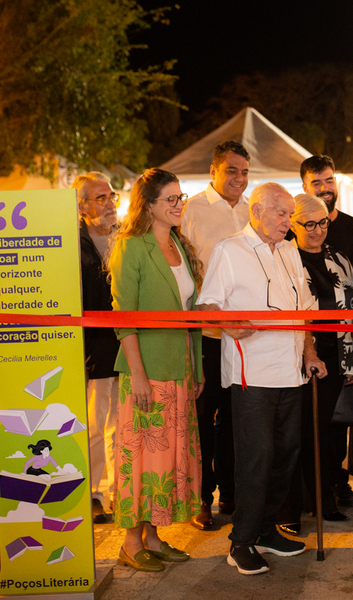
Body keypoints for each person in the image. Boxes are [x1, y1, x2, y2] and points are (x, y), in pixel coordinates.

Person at [197, 182, 327, 576]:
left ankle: (266, 530)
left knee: (286, 455)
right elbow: (207, 307)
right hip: (251, 374)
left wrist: (309, 351)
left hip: (291, 372)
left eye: (291, 215)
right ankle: (241, 542)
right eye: (283, 214)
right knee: (257, 458)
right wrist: (226, 323)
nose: (291, 222)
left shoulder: (289, 250)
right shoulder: (230, 250)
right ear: (257, 211)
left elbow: (304, 309)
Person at [109, 168, 204, 572]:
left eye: (181, 197)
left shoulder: (180, 247)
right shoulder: (132, 247)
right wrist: (140, 375)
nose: (179, 204)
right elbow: (123, 317)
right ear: (148, 205)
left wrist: (196, 366)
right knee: (141, 458)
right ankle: (131, 542)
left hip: (179, 367)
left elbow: (191, 315)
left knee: (167, 460)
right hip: (146, 370)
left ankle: (152, 535)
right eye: (171, 199)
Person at [277, 194, 353, 535]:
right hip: (294, 354)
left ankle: (324, 499)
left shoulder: (338, 257)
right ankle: (291, 506)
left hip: (335, 354)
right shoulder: (283, 257)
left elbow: (352, 310)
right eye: (308, 224)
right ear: (293, 225)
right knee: (295, 433)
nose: (317, 230)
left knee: (327, 433)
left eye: (323, 222)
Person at [180, 140, 251, 529]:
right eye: (231, 170)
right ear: (213, 171)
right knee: (203, 420)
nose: (239, 179)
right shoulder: (191, 210)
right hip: (205, 333)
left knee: (236, 420)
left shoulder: (250, 210)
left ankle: (232, 494)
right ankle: (200, 500)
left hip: (243, 337)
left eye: (244, 171)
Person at [301, 154, 353, 495]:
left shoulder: (352, 229)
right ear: (304, 186)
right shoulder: (292, 240)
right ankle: (312, 489)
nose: (324, 188)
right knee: (311, 423)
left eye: (328, 181)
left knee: (341, 418)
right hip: (307, 345)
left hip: (345, 339)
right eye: (316, 182)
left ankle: (338, 482)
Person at [73, 171, 120, 525]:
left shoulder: (127, 238)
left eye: (111, 196)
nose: (108, 204)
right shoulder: (73, 243)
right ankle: (93, 493)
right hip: (93, 346)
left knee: (124, 426)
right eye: (100, 198)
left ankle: (123, 493)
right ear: (81, 204)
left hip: (128, 342)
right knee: (94, 423)